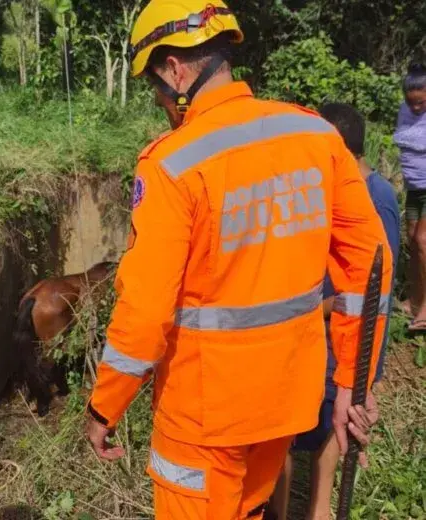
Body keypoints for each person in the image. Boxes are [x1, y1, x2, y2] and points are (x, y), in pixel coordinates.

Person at [83, 2, 393, 519]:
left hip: (205, 417)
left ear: (176, 71)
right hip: (286, 403)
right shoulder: (316, 136)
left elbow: (144, 313)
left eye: (155, 88)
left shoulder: (172, 163)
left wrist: (104, 405)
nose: (160, 102)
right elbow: (371, 265)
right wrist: (350, 385)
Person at [270, 103, 400, 520]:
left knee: (328, 424)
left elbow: (373, 291)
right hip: (316, 331)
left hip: (341, 338)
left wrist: (367, 374)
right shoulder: (325, 190)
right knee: (290, 430)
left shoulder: (374, 200)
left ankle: (317, 510)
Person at [395, 63, 426, 332]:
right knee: (412, 244)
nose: (415, 108)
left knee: (422, 241)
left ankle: (425, 308)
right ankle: (414, 300)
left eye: (421, 103)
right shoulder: (405, 111)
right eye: (411, 103)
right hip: (414, 186)